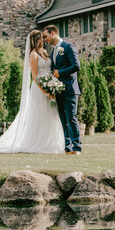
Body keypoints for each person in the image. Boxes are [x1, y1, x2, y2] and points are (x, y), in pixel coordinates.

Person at [42, 25, 82, 154]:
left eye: (45, 36)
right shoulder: (53, 51)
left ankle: (77, 147)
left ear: (52, 33)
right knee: (63, 120)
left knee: (71, 118)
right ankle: (67, 147)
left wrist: (61, 72)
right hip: (58, 90)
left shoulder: (68, 47)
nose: (44, 39)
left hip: (70, 89)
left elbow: (76, 66)